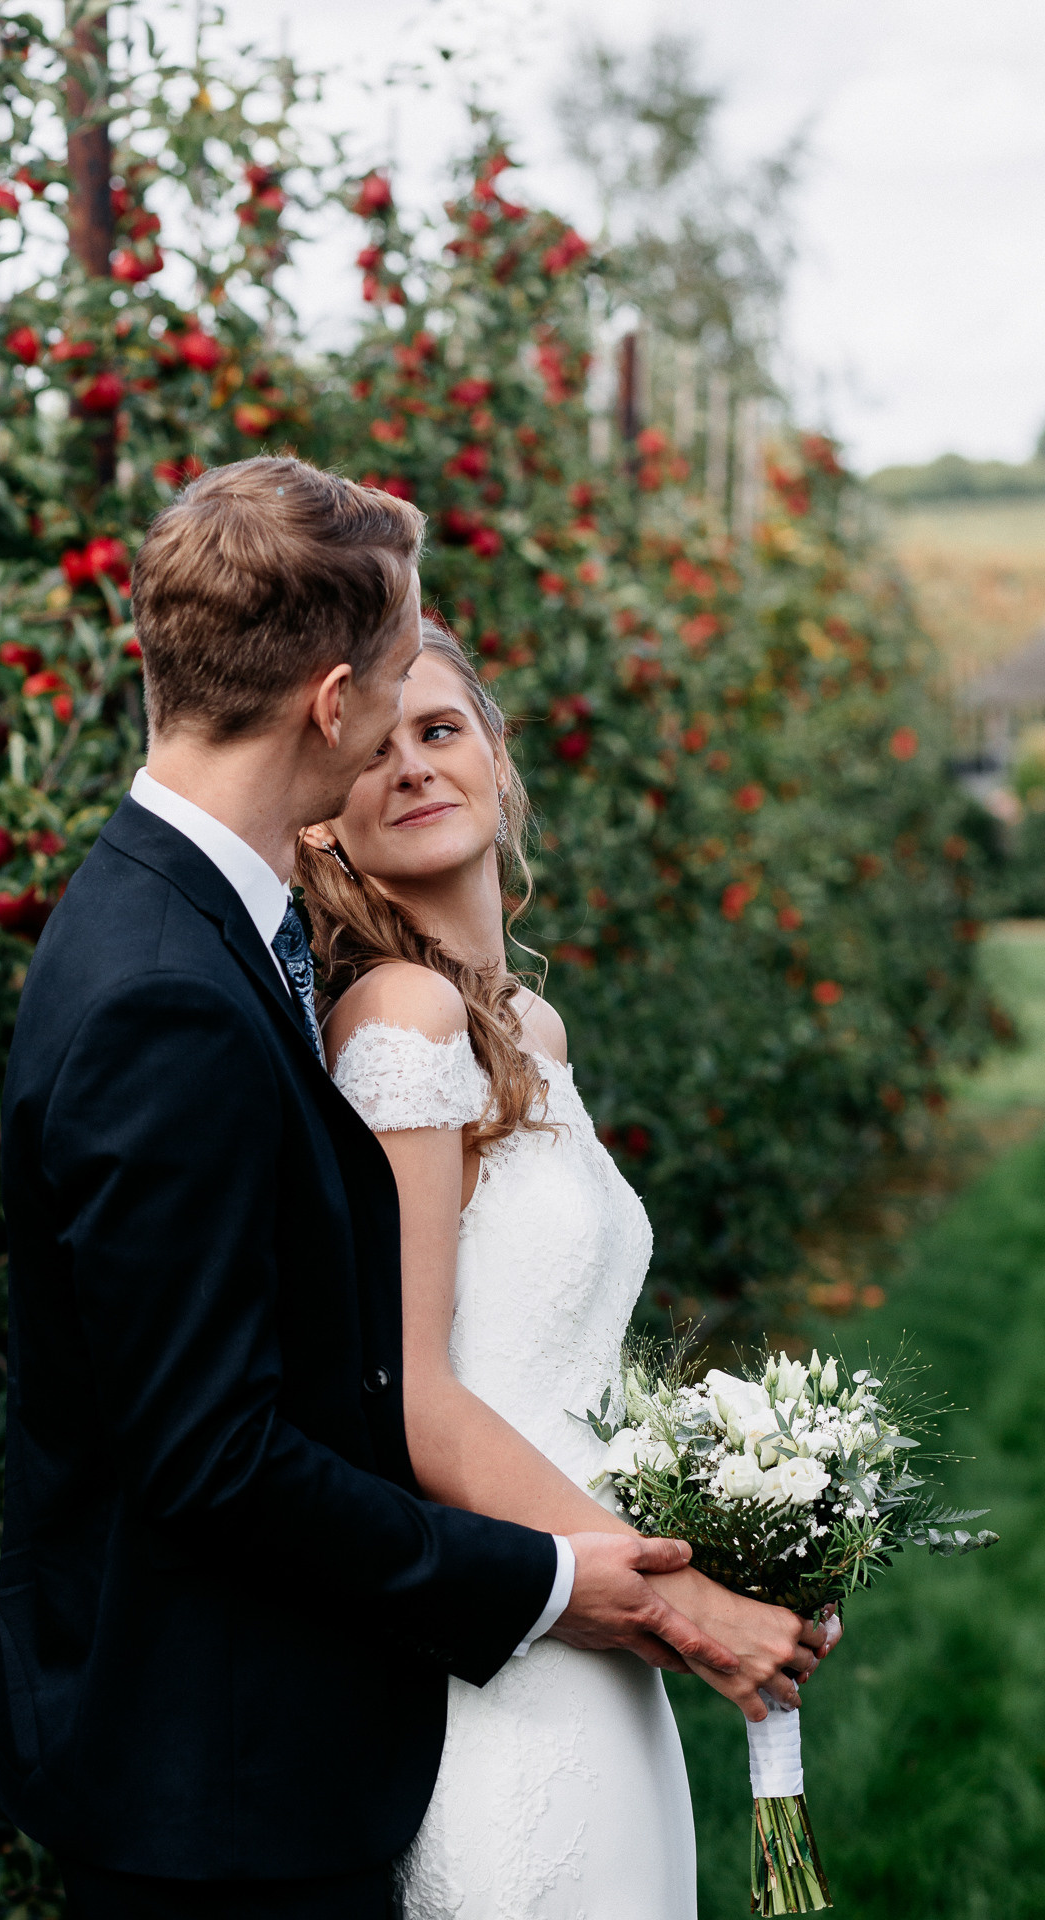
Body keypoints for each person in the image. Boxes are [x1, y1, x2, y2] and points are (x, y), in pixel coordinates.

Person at [0, 456, 821, 1920]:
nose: (401, 740)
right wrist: (591, 1586)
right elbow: (215, 1456)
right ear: (330, 706)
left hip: (290, 1746)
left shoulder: (197, 929)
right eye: (391, 689)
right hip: (221, 1796)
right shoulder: (166, 988)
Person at [295, 619, 838, 1920]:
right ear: (319, 820)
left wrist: (750, 1530)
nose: (414, 767)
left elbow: (559, 1362)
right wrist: (685, 1602)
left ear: (499, 755)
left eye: (440, 730)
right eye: (374, 750)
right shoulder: (399, 1017)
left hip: (610, 1635)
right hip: (519, 1652)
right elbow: (416, 1397)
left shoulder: (528, 1024)